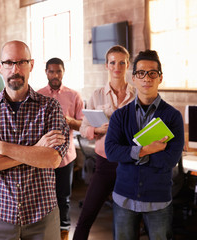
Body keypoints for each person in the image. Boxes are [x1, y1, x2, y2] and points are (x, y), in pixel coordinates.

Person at [0, 40, 70, 240]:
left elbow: (52, 160)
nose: (15, 69)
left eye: (21, 62)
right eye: (9, 63)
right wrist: (35, 149)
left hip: (42, 213)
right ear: (0, 66)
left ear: (31, 65)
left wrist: (2, 147)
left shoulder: (50, 108)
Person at [105, 50, 184, 240]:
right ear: (133, 78)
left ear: (160, 78)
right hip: (124, 196)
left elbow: (170, 160)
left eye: (152, 73)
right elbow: (111, 151)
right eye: (141, 73)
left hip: (158, 199)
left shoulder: (173, 116)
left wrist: (131, 155)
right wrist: (145, 150)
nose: (146, 78)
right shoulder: (120, 115)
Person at [73, 45, 136, 240]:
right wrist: (97, 130)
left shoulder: (136, 96)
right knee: (86, 216)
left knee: (125, 221)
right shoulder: (97, 95)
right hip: (104, 164)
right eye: (112, 62)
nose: (117, 66)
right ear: (106, 66)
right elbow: (83, 128)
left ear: (127, 65)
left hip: (129, 165)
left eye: (122, 62)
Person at [37, 57, 84, 240]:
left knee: (63, 198)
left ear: (63, 72)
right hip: (42, 157)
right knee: (43, 197)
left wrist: (69, 121)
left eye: (58, 71)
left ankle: (63, 234)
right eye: (51, 71)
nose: (55, 75)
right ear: (46, 72)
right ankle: (44, 233)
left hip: (65, 157)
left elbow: (84, 125)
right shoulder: (38, 95)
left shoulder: (74, 96)